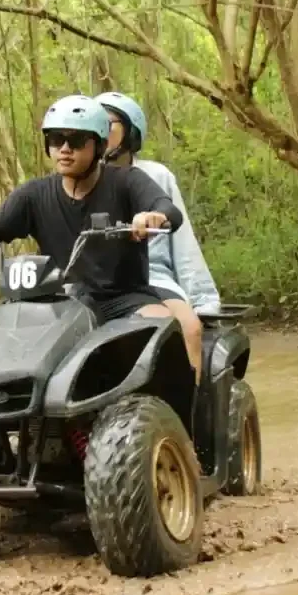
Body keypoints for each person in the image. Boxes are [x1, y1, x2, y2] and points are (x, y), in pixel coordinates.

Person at [0, 94, 203, 380]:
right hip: (58, 302)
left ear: (99, 145)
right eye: (56, 140)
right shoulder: (33, 194)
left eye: (76, 141)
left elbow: (167, 209)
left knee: (165, 327)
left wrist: (153, 216)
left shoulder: (127, 181)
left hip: (123, 299)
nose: (64, 149)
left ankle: (187, 407)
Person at [94, 91, 221, 380]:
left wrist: (202, 300)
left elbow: (183, 242)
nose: (98, 131)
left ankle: (188, 405)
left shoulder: (157, 176)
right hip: (93, 281)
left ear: (131, 132)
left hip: (152, 278)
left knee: (188, 328)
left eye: (107, 123)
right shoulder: (81, 179)